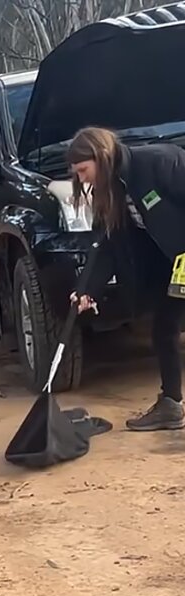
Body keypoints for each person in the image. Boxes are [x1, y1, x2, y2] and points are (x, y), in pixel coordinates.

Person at [67, 126, 185, 431]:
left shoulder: (159, 162)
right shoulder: (113, 191)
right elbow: (107, 245)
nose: (82, 179)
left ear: (100, 156)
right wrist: (87, 289)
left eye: (83, 170)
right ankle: (171, 404)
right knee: (164, 328)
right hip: (172, 264)